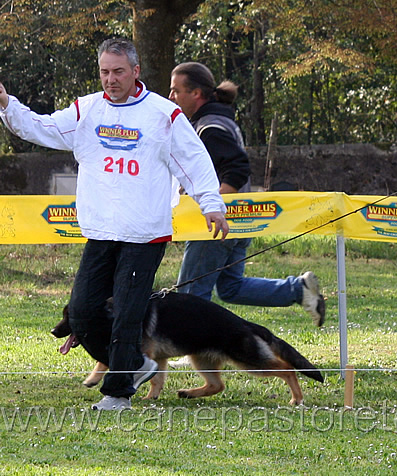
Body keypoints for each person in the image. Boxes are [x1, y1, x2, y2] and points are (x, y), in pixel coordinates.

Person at [0, 39, 229, 411]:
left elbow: (195, 161)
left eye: (118, 71)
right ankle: (136, 365)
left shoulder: (163, 114)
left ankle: (118, 391)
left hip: (145, 234)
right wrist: (7, 105)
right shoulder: (85, 110)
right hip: (100, 232)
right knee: (83, 312)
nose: (111, 79)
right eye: (105, 72)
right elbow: (41, 128)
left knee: (127, 312)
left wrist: (211, 204)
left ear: (136, 72)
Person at [168, 62, 325, 330]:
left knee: (191, 293)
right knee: (230, 287)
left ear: (195, 94)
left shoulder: (209, 128)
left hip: (218, 224)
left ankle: (194, 346)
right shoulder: (219, 120)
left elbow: (238, 169)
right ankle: (298, 290)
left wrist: (213, 207)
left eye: (175, 91)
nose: (171, 97)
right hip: (241, 218)